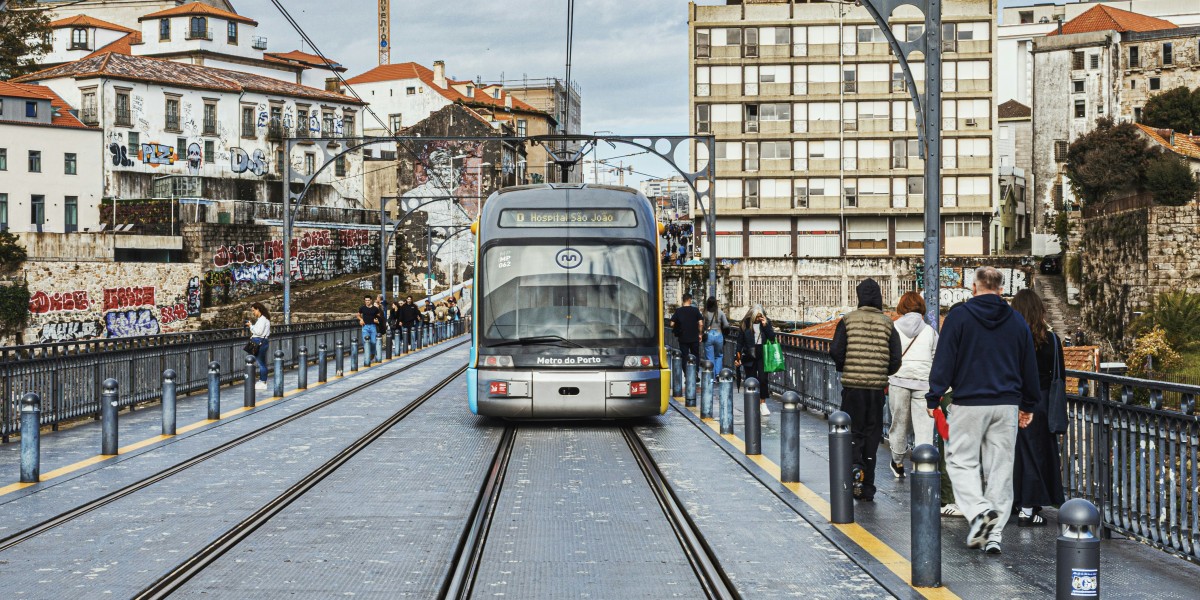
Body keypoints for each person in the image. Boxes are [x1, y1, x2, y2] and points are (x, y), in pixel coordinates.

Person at [926, 266, 1039, 555]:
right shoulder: (1016, 320)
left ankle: (979, 513)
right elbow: (1029, 365)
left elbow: (944, 359)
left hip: (969, 402)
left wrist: (934, 396)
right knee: (1000, 469)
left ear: (974, 287)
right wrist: (1028, 405)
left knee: (960, 462)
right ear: (1001, 290)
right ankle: (994, 536)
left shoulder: (959, 317)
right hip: (1006, 404)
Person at [830, 278, 902, 502]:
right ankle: (868, 486)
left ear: (859, 297)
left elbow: (836, 350)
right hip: (876, 390)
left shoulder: (848, 320)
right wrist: (882, 372)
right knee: (872, 435)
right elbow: (896, 358)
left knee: (853, 432)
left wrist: (845, 367)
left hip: (853, 388)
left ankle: (855, 468)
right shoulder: (888, 323)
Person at [1010, 289, 1066, 527]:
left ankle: (1016, 502)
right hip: (1041, 402)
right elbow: (1059, 374)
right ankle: (1028, 507)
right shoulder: (1051, 339)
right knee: (1037, 454)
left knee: (1016, 454)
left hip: (1013, 400)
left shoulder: (1010, 337)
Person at [886, 291, 939, 480]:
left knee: (899, 423)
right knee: (924, 426)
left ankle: (898, 462)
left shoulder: (893, 328)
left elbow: (889, 355)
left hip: (898, 380)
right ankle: (923, 464)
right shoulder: (930, 331)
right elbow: (936, 359)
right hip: (924, 383)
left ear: (902, 307)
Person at [736, 304, 776, 417]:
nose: (758, 318)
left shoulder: (766, 323)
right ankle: (753, 403)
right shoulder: (745, 324)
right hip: (749, 354)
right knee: (751, 379)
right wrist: (737, 358)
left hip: (762, 354)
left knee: (763, 379)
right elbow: (739, 342)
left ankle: (763, 403)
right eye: (757, 316)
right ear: (752, 315)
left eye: (760, 316)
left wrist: (765, 325)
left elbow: (772, 338)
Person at [668, 293, 704, 364]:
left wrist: (678, 327)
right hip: (694, 337)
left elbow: (671, 324)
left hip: (683, 337)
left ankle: (685, 370)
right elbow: (701, 323)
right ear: (690, 300)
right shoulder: (695, 310)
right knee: (695, 356)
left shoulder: (678, 311)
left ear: (683, 300)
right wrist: (700, 334)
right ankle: (696, 369)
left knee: (684, 356)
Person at [703, 296, 731, 380]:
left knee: (709, 357)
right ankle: (718, 374)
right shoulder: (720, 312)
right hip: (719, 335)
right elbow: (726, 325)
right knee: (719, 356)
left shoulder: (705, 313)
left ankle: (711, 375)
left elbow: (702, 325)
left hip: (709, 335)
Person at [246, 302, 271, 391]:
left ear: (258, 309)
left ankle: (263, 382)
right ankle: (262, 381)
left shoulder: (263, 319)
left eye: (254, 310)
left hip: (259, 342)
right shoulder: (263, 319)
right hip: (261, 342)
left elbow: (259, 332)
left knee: (261, 363)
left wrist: (251, 326)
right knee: (260, 362)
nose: (253, 312)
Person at [358, 295, 382, 363]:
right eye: (366, 300)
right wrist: (361, 319)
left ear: (371, 300)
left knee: (373, 342)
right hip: (365, 327)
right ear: (364, 301)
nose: (367, 302)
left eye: (368, 300)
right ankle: (367, 355)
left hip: (372, 326)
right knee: (365, 341)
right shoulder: (362, 308)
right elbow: (358, 315)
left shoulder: (375, 308)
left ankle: (373, 353)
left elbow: (379, 316)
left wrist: (377, 320)